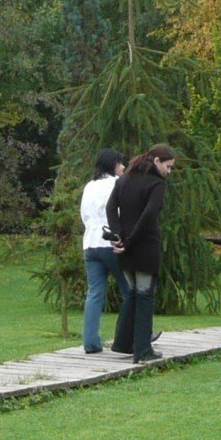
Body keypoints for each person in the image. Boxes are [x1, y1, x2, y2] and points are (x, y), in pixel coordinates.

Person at [108, 143, 178, 363]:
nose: (169, 171)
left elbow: (111, 208)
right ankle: (143, 350)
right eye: (169, 166)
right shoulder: (157, 184)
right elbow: (149, 215)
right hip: (145, 245)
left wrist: (119, 236)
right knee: (145, 295)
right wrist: (129, 241)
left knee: (133, 294)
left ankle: (122, 343)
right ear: (157, 161)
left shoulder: (124, 179)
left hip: (125, 248)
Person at [78, 148, 129, 354]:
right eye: (119, 163)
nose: (123, 167)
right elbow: (120, 212)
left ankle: (90, 341)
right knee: (130, 291)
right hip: (111, 242)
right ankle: (139, 332)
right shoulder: (117, 184)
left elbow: (84, 215)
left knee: (95, 293)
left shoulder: (89, 186)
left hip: (90, 243)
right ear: (112, 166)